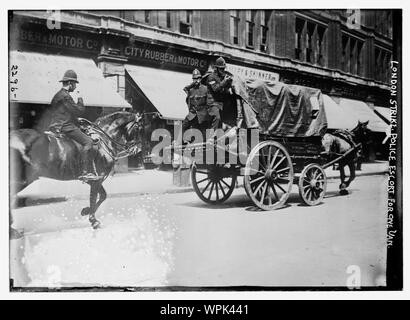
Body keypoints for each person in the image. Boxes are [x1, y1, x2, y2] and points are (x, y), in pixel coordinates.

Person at [49, 70, 99, 180]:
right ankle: (85, 172)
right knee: (88, 142)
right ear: (70, 83)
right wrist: (80, 98)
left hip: (57, 125)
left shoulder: (57, 95)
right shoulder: (66, 96)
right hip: (65, 126)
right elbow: (79, 111)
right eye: (75, 84)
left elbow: (64, 113)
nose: (75, 87)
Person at [175, 69, 210, 144]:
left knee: (201, 132)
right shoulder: (191, 90)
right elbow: (185, 89)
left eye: (198, 78)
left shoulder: (205, 89)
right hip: (193, 113)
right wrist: (192, 84)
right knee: (184, 125)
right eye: (194, 79)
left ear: (200, 79)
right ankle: (179, 142)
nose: (196, 80)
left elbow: (209, 102)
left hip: (202, 114)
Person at [204, 56, 233, 131]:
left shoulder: (222, 77)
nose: (223, 70)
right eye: (221, 69)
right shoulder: (211, 77)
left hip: (220, 104)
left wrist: (229, 83)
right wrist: (224, 82)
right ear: (216, 68)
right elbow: (215, 89)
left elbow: (225, 90)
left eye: (223, 68)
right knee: (217, 117)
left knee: (222, 122)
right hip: (212, 103)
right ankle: (211, 138)